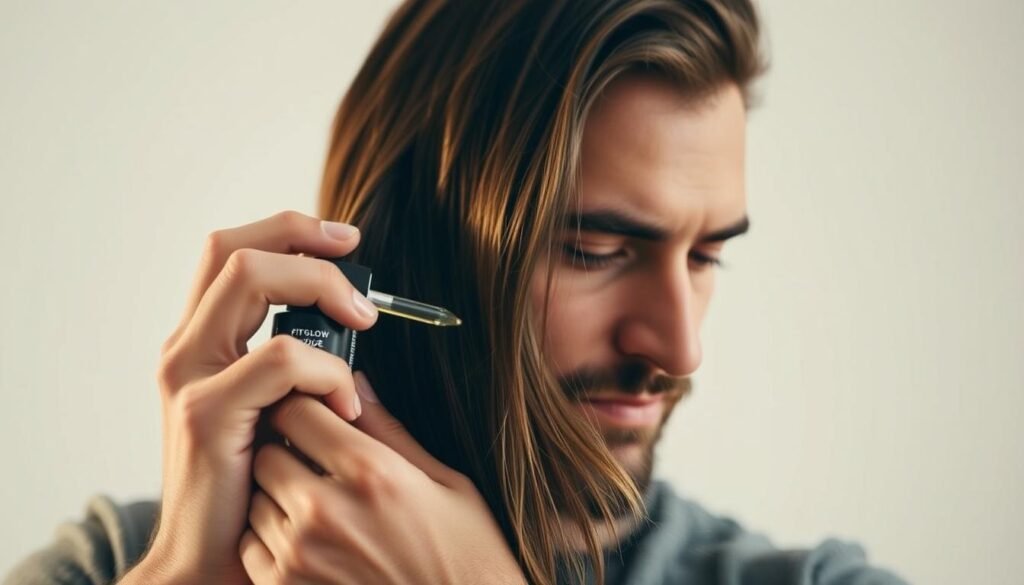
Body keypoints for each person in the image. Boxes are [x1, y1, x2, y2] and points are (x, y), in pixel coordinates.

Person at [5, 1, 910, 584]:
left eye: (707, 255)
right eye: (595, 249)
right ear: (403, 249)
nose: (679, 349)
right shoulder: (114, 565)